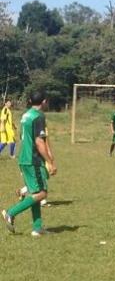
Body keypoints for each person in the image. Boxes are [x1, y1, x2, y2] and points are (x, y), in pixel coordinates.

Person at [2, 90, 56, 237]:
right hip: (33, 159)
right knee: (42, 193)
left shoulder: (25, 115)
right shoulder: (39, 117)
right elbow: (39, 141)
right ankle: (11, 213)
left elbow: (23, 136)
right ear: (44, 101)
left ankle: (37, 228)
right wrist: (50, 161)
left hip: (23, 158)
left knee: (34, 193)